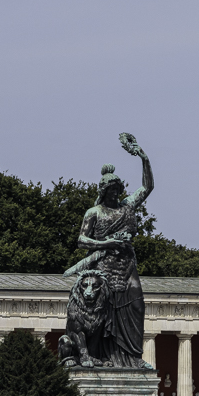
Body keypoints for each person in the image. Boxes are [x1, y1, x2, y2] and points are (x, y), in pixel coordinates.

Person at [64, 134, 154, 369]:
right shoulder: (94, 212)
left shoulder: (127, 206)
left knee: (136, 306)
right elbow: (82, 240)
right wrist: (107, 243)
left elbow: (147, 187)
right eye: (111, 190)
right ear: (103, 191)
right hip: (102, 268)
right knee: (105, 315)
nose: (115, 194)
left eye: (118, 189)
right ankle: (105, 357)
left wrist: (144, 158)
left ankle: (132, 357)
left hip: (126, 265)